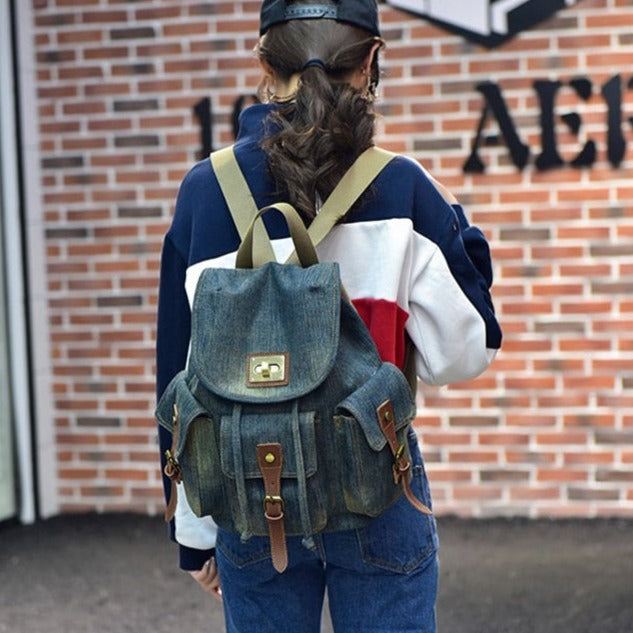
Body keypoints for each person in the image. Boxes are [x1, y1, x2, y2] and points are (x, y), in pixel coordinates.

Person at [155, 1, 502, 631]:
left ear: (263, 62)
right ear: (371, 60)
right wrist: (462, 229)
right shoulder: (404, 187)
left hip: (247, 481)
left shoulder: (205, 192)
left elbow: (182, 380)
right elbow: (465, 353)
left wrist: (194, 531)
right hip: (376, 479)